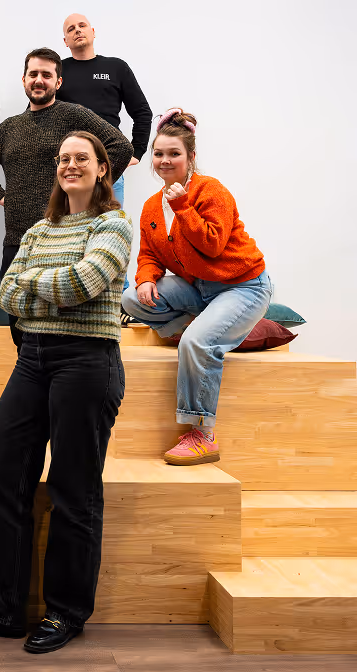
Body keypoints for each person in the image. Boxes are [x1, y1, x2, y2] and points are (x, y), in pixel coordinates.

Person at [0, 132, 130, 654]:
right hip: (33, 360)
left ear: (101, 168)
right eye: (64, 158)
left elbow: (87, 282)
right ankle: (2, 608)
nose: (71, 165)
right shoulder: (38, 229)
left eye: (82, 158)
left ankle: (66, 612)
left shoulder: (112, 224)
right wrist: (40, 288)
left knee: (74, 489)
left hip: (87, 363)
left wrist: (33, 289)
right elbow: (5, 292)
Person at [121, 108, 272, 466]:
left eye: (174, 153)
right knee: (130, 299)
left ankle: (202, 433)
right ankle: (205, 331)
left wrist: (183, 206)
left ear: (190, 157)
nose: (165, 160)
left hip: (243, 286)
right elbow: (149, 256)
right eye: (159, 154)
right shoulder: (149, 208)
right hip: (200, 288)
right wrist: (145, 280)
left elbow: (213, 244)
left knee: (196, 342)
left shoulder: (210, 190)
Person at [0, 47, 133, 348]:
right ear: (24, 80)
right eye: (33, 74)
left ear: (58, 82)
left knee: (65, 325)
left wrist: (92, 190)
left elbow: (120, 147)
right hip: (17, 239)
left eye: (46, 74)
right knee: (18, 329)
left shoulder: (74, 115)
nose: (39, 80)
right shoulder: (10, 128)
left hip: (66, 236)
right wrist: (2, 196)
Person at [58, 13, 152, 298]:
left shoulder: (115, 67)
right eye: (70, 29)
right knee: (70, 234)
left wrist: (135, 152)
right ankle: (75, 296)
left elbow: (142, 112)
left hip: (109, 167)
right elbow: (37, 113)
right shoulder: (58, 70)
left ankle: (119, 297)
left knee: (110, 232)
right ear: (65, 40)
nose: (77, 31)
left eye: (81, 26)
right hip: (70, 169)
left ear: (93, 31)